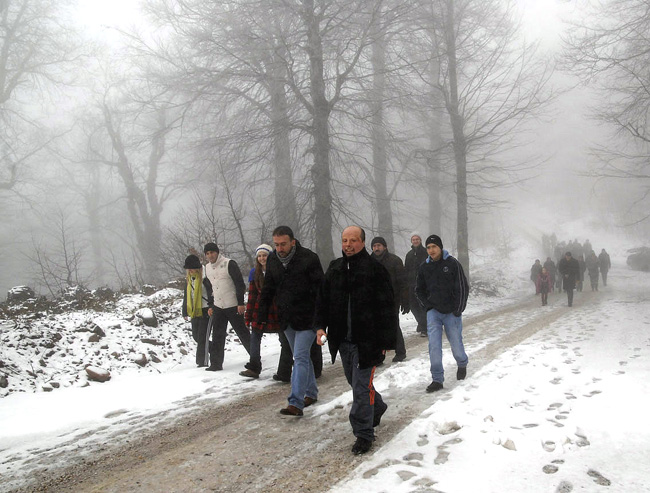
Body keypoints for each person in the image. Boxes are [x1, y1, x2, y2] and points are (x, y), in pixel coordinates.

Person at [315, 226, 397, 455]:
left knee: (360, 389)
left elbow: (387, 308)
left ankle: (364, 433)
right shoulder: (335, 268)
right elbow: (322, 300)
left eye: (353, 240)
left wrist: (386, 343)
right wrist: (320, 326)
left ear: (362, 242)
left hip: (367, 341)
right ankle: (377, 406)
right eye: (344, 240)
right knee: (356, 383)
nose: (348, 244)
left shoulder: (375, 270)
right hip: (344, 340)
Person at [258, 226, 324, 416]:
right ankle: (311, 392)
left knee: (300, 357)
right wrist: (261, 315)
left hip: (308, 318)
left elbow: (321, 290)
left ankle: (295, 402)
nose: (279, 248)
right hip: (286, 319)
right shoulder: (272, 260)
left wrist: (321, 319)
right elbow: (268, 287)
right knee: (301, 356)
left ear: (293, 242)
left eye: (283, 244)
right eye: (276, 244)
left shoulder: (309, 258)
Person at [415, 234, 469, 393]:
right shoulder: (424, 267)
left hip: (451, 312)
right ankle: (437, 379)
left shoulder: (452, 264)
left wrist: (458, 308)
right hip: (434, 313)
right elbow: (419, 290)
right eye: (428, 247)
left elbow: (462, 287)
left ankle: (462, 363)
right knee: (434, 347)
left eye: (434, 247)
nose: (431, 250)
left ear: (440, 247)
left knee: (456, 344)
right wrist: (427, 306)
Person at [203, 242, 251, 371]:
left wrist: (241, 303)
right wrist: (211, 305)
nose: (210, 255)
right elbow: (210, 288)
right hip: (218, 306)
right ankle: (216, 364)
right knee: (217, 335)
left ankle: (255, 357)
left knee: (242, 332)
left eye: (212, 252)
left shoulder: (229, 263)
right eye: (207, 253)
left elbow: (239, 284)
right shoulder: (206, 268)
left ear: (217, 252)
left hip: (233, 305)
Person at [240, 244, 280, 379]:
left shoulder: (277, 270)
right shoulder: (254, 273)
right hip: (259, 310)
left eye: (265, 255)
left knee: (284, 338)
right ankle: (254, 367)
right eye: (260, 256)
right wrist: (248, 316)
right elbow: (251, 296)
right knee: (255, 337)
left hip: (275, 309)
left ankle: (286, 366)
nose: (262, 258)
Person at [370, 236, 409, 362]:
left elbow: (402, 281)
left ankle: (400, 352)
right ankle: (379, 356)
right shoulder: (368, 261)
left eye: (379, 245)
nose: (376, 248)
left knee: (392, 325)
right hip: (374, 300)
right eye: (374, 246)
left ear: (385, 247)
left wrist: (405, 299)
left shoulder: (394, 260)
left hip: (392, 299)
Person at [182, 254, 213, 367]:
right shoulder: (190, 279)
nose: (189, 270)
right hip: (195, 311)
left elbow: (211, 293)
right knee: (196, 337)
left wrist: (211, 306)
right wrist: (185, 310)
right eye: (188, 269)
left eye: (191, 268)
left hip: (206, 310)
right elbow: (187, 295)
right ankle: (216, 349)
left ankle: (202, 362)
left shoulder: (206, 278)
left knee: (202, 337)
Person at [404, 233, 428, 336]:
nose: (415, 241)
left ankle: (424, 328)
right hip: (411, 284)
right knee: (413, 306)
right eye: (413, 239)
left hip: (423, 284)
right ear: (411, 241)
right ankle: (421, 323)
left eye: (417, 239)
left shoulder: (426, 252)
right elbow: (406, 269)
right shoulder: (409, 254)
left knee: (422, 306)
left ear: (420, 240)